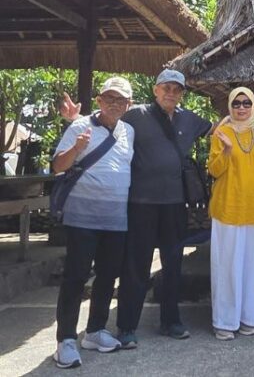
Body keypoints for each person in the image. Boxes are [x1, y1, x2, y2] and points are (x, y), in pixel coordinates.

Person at [61, 69, 213, 347]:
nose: (171, 93)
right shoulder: (135, 115)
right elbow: (104, 120)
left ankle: (171, 321)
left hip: (174, 203)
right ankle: (127, 326)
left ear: (181, 94)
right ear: (155, 90)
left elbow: (220, 127)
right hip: (140, 204)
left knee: (173, 264)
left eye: (176, 89)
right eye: (166, 87)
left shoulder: (189, 119)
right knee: (136, 267)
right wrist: (75, 120)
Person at [52, 77, 134, 369]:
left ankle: (96, 330)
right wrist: (76, 147)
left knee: (108, 275)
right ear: (99, 101)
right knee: (75, 277)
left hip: (116, 219)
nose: (114, 104)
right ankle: (65, 340)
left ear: (129, 105)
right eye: (109, 99)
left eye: (121, 100)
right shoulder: (79, 126)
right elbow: (58, 166)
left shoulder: (129, 131)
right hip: (82, 217)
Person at [207, 87, 254, 340]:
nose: (241, 108)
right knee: (226, 266)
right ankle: (224, 321)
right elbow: (214, 170)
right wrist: (224, 150)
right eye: (237, 103)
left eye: (246, 103)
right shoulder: (221, 133)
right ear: (230, 107)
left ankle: (248, 318)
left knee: (252, 268)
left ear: (253, 107)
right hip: (227, 209)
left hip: (252, 209)